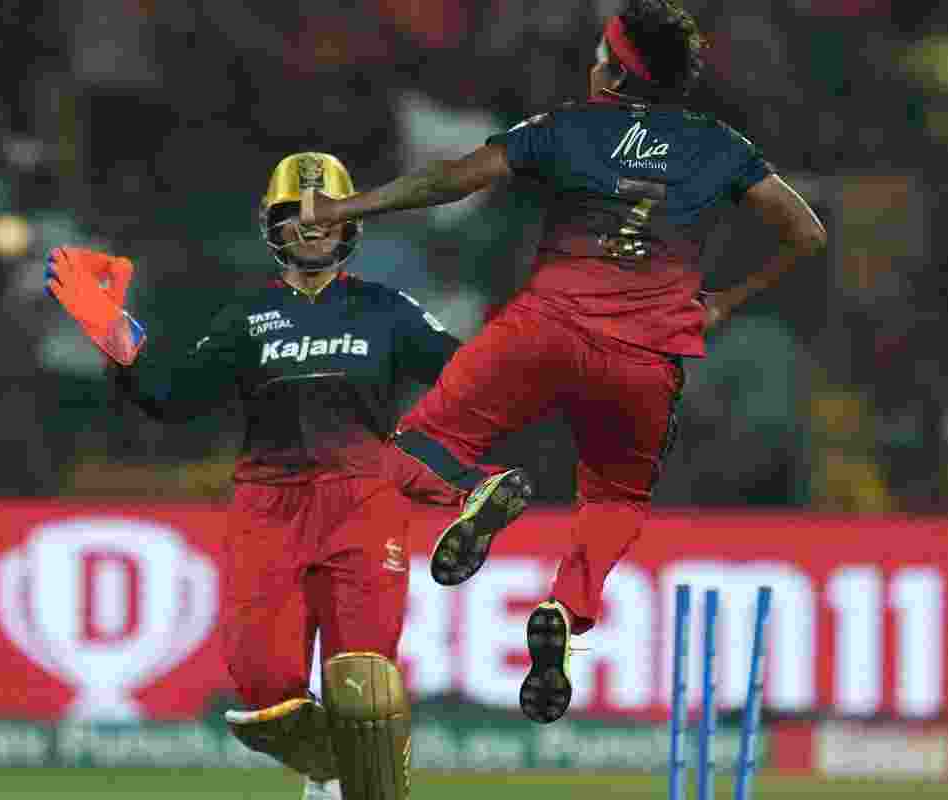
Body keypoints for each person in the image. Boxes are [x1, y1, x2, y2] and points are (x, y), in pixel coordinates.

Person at [301, 0, 827, 724]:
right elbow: (807, 233)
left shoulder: (568, 125)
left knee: (418, 447)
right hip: (645, 357)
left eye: (601, 53)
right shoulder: (722, 146)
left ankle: (476, 490)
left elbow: (454, 178)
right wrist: (727, 302)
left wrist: (346, 209)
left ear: (616, 71)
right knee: (614, 502)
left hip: (543, 329)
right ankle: (565, 609)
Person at [47, 152, 461, 800]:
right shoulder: (246, 317)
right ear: (272, 224)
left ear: (351, 222)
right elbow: (171, 399)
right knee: (263, 685)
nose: (314, 225)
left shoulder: (387, 309)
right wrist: (112, 331)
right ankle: (333, 776)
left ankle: (355, 790)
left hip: (363, 502)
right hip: (269, 507)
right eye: (297, 213)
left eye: (328, 212)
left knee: (363, 677)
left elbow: (468, 378)